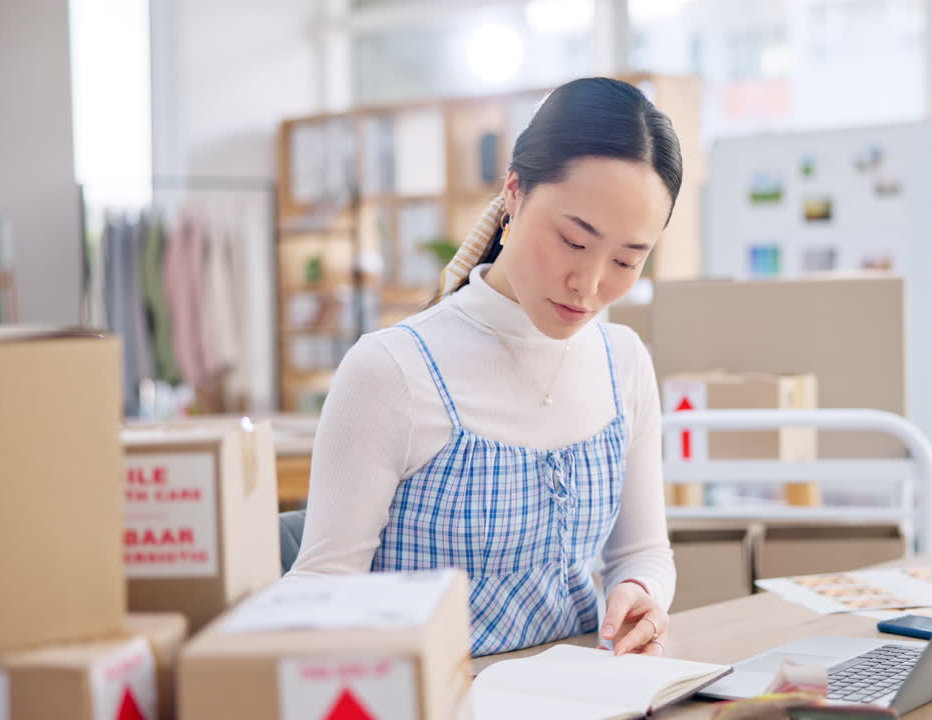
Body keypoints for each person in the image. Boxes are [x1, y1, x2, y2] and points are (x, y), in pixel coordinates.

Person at [288, 77, 683, 659]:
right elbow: (321, 587)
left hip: (582, 693)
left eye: (627, 260)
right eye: (574, 242)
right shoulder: (392, 371)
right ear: (514, 193)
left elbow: (643, 551)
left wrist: (640, 592)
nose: (590, 284)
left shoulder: (622, 361)